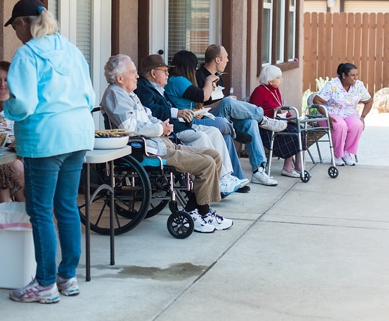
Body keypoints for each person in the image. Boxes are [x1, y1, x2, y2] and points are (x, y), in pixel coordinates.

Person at [0, 0, 96, 304]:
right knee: (67, 206)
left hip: (46, 140)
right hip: (78, 135)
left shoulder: (27, 53)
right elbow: (89, 96)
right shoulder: (71, 49)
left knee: (41, 211)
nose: (15, 33)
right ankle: (67, 278)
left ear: (22, 23)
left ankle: (45, 283)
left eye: (14, 27)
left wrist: (2, 106)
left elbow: (24, 105)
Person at [100, 54, 233, 235]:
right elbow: (130, 128)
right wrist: (158, 129)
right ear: (119, 78)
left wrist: (163, 126)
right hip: (147, 150)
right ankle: (200, 211)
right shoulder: (115, 96)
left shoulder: (129, 94)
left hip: (159, 143)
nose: (137, 76)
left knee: (214, 155)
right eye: (132, 72)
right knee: (206, 163)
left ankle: (200, 210)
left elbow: (148, 116)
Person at [134, 54, 248, 196]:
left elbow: (171, 107)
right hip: (170, 130)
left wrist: (189, 114)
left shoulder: (159, 88)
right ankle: (218, 180)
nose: (168, 74)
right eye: (164, 71)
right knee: (201, 136)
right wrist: (178, 113)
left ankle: (225, 176)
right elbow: (154, 110)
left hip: (182, 124)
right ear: (153, 73)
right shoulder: (143, 88)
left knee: (214, 132)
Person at [196, 44, 287, 186]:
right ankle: (262, 118)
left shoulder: (218, 76)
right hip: (207, 119)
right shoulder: (199, 76)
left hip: (224, 118)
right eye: (226, 58)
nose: (228, 61)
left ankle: (258, 170)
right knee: (227, 102)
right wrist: (223, 102)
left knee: (250, 122)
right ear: (217, 60)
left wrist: (227, 102)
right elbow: (198, 109)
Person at [250, 65, 307, 177]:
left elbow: (280, 109)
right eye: (278, 77)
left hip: (279, 123)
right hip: (265, 127)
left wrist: (289, 117)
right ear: (270, 80)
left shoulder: (275, 90)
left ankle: (299, 165)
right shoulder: (259, 91)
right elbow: (255, 113)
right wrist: (274, 112)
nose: (281, 79)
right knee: (292, 133)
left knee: (301, 130)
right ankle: (287, 167)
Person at [313, 62, 372, 166]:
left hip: (349, 114)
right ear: (344, 75)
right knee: (340, 125)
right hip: (330, 114)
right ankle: (337, 155)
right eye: (352, 75)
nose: (356, 78)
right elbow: (316, 100)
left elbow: (369, 101)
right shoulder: (332, 85)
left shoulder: (358, 85)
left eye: (357, 75)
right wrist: (327, 116)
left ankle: (346, 152)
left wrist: (362, 117)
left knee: (358, 125)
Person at [0, 61, 25, 203]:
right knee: (14, 168)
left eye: (7, 80)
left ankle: (15, 205)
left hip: (13, 151)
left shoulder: (17, 101)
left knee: (18, 167)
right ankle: (15, 206)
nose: (2, 84)